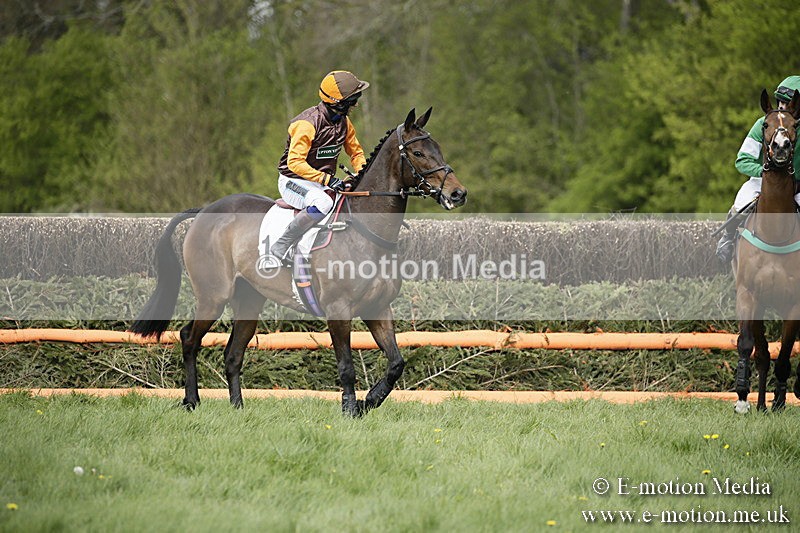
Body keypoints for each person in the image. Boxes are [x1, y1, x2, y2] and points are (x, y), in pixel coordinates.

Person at [270, 70, 369, 264]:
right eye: (353, 100)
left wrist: (362, 173)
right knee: (323, 203)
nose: (356, 104)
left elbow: (356, 153)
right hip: (293, 181)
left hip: (319, 183)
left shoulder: (345, 123)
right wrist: (328, 180)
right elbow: (295, 163)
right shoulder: (306, 124)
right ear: (338, 103)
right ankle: (283, 243)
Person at [716, 75, 800, 263]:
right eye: (780, 102)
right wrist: (763, 171)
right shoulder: (762, 124)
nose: (782, 108)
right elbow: (742, 160)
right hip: (765, 181)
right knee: (741, 203)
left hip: (796, 186)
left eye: (788, 104)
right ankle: (727, 239)